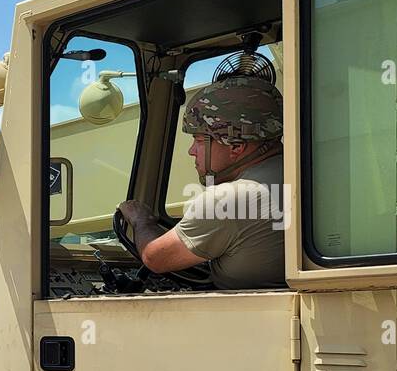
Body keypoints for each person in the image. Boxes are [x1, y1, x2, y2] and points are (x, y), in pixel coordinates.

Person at [117, 76, 286, 290]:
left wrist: (142, 221)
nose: (191, 151)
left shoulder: (229, 199)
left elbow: (155, 257)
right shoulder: (302, 174)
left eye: (199, 141)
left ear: (235, 146)